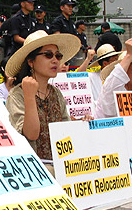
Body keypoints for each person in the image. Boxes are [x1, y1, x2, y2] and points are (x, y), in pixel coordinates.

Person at [5, 30, 81, 165]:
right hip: (33, 168)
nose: (55, 60)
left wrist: (82, 123)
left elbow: (66, 132)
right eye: (48, 55)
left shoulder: (56, 93)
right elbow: (31, 134)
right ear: (31, 61)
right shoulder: (17, 94)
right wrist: (29, 96)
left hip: (61, 165)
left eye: (58, 56)